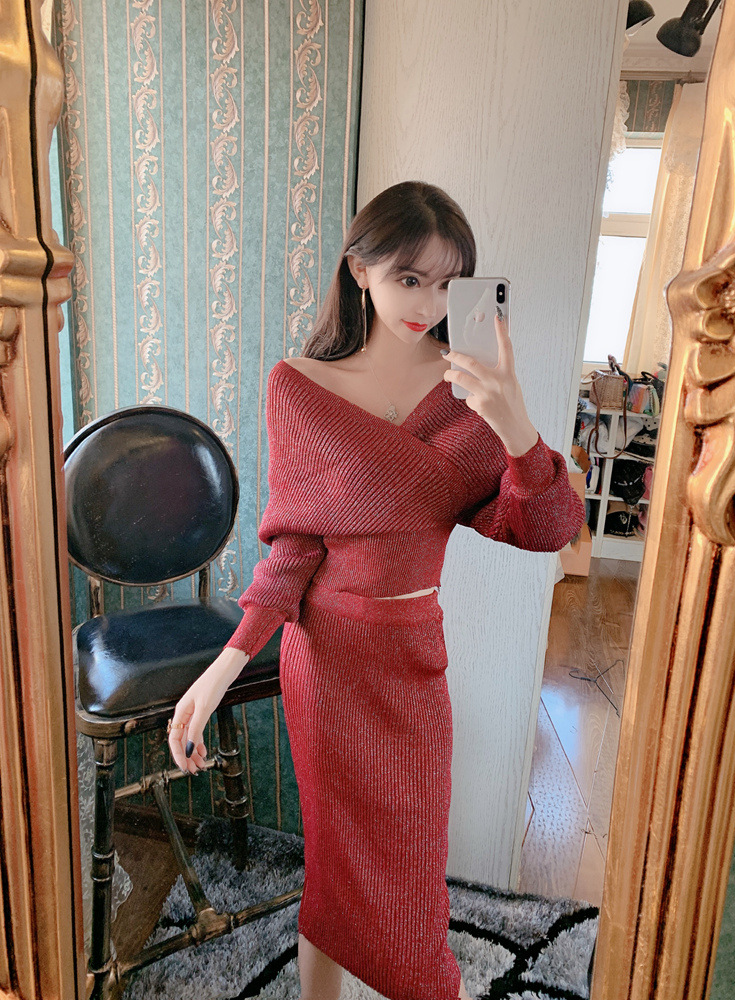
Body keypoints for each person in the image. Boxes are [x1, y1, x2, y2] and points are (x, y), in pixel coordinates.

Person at [168, 181, 584, 1000]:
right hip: (325, 662)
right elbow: (294, 551)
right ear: (360, 271)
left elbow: (547, 528)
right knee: (332, 863)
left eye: (447, 282)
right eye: (408, 278)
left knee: (411, 870)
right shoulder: (298, 387)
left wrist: (516, 427)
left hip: (411, 661)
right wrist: (221, 670)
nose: (428, 303)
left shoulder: (470, 396)